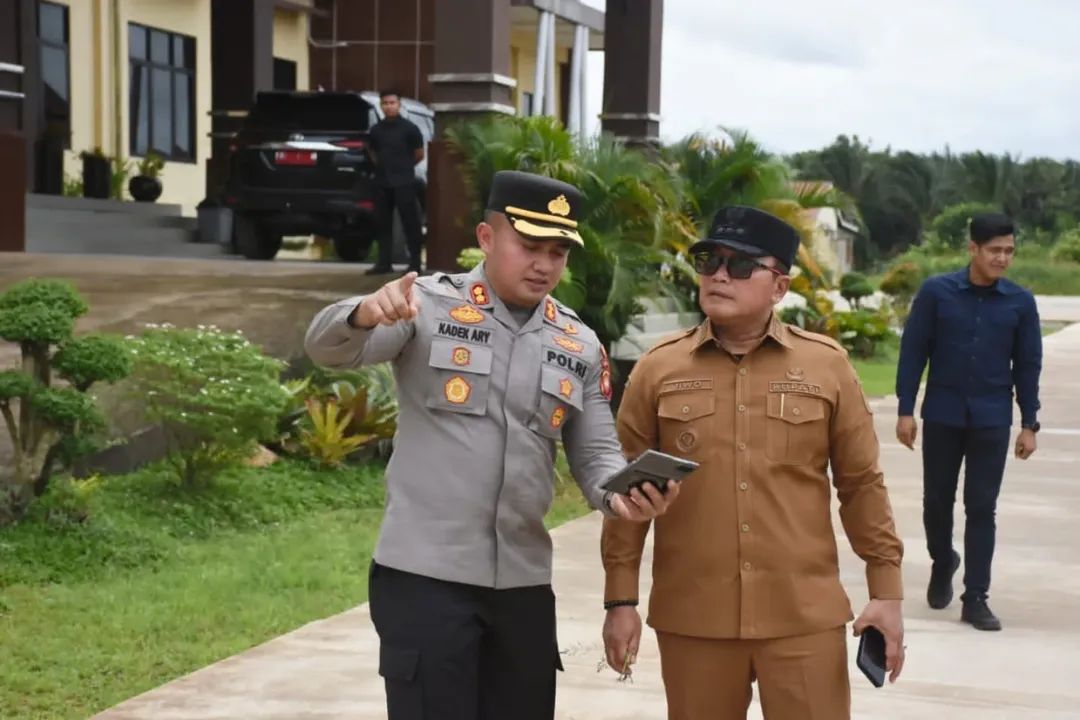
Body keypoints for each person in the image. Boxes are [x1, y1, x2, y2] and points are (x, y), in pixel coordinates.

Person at [304, 170, 680, 720]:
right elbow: (329, 350)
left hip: (523, 586)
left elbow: (597, 455)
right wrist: (361, 314)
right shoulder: (424, 306)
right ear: (486, 238)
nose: (543, 265)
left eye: (557, 252)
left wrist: (619, 496)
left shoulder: (578, 341)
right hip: (425, 579)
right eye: (529, 246)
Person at [600, 206, 906, 720]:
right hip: (695, 619)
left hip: (802, 617)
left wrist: (886, 592)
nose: (720, 274)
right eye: (709, 261)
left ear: (779, 286)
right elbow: (626, 495)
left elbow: (861, 486)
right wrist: (619, 600)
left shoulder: (826, 365)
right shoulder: (659, 368)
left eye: (740, 266)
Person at [895, 212, 1042, 632]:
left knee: (982, 507)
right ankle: (944, 560)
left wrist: (1029, 422)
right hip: (942, 413)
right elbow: (913, 352)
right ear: (973, 249)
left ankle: (976, 597)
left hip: (992, 419)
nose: (1002, 259)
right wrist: (906, 408)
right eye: (994, 250)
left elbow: (1028, 365)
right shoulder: (936, 293)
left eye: (1009, 251)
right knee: (936, 501)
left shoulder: (1020, 302)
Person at [366, 89, 426, 275]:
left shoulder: (410, 128)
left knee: (411, 223)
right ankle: (384, 263)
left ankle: (415, 264)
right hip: (382, 182)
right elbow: (372, 153)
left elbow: (419, 154)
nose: (389, 106)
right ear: (381, 106)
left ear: (399, 105)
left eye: (392, 103)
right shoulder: (376, 130)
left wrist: (403, 168)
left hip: (405, 182)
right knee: (382, 224)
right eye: (385, 103)